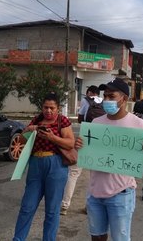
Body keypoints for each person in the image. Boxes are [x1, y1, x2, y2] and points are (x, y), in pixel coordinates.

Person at [75, 78, 143, 241]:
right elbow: (87, 154)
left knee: (120, 239)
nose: (107, 100)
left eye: (111, 96)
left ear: (124, 99)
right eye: (105, 96)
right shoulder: (96, 124)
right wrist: (80, 145)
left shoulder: (138, 125)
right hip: (95, 193)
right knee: (96, 237)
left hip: (121, 194)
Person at [13, 93, 75, 241]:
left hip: (56, 164)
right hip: (36, 164)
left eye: (52, 108)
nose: (48, 111)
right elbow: (21, 140)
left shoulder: (62, 121)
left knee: (52, 210)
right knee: (27, 207)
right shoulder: (37, 119)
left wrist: (52, 137)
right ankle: (18, 238)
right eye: (45, 107)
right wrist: (29, 129)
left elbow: (70, 143)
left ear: (58, 108)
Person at [61, 85, 102, 216]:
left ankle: (64, 205)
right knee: (94, 176)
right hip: (99, 140)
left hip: (85, 138)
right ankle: (89, 206)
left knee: (73, 174)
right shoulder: (104, 102)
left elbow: (80, 118)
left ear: (90, 92)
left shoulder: (86, 101)